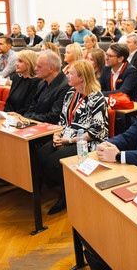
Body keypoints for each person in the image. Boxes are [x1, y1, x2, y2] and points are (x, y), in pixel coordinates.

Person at [37, 60, 108, 214]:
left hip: (88, 141)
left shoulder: (97, 98)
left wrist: (68, 141)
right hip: (67, 136)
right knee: (40, 155)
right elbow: (63, 120)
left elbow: (95, 133)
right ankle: (62, 185)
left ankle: (67, 194)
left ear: (82, 77)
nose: (67, 75)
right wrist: (57, 134)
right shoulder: (70, 93)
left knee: (54, 163)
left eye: (71, 73)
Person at [24, 50, 71, 125]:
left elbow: (54, 116)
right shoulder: (42, 83)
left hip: (49, 130)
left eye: (39, 66)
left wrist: (30, 118)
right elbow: (32, 107)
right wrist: (25, 118)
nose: (35, 68)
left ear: (51, 69)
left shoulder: (65, 86)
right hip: (34, 123)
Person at [3, 50, 41, 115]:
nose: (16, 64)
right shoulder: (16, 78)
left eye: (20, 61)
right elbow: (8, 102)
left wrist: (16, 115)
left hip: (23, 119)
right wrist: (8, 113)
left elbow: (28, 107)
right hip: (9, 117)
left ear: (29, 63)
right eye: (17, 60)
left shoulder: (37, 82)